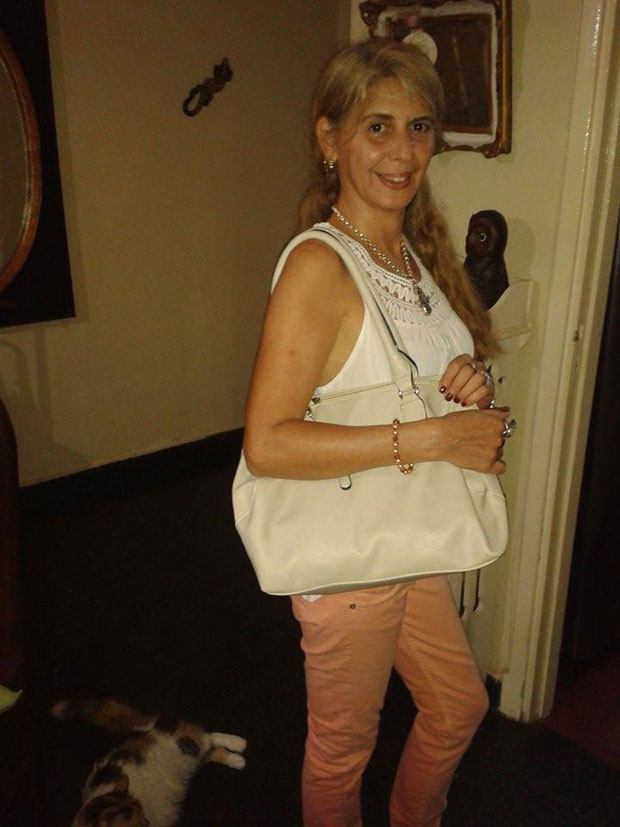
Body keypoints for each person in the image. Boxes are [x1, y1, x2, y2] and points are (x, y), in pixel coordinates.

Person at [242, 38, 510, 827]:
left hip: (405, 534)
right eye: (377, 127)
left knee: (458, 704)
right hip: (350, 559)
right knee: (342, 750)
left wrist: (466, 385)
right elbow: (267, 443)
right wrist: (430, 440)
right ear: (331, 140)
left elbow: (408, 382)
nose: (403, 150)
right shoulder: (319, 265)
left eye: (419, 127)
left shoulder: (409, 256)